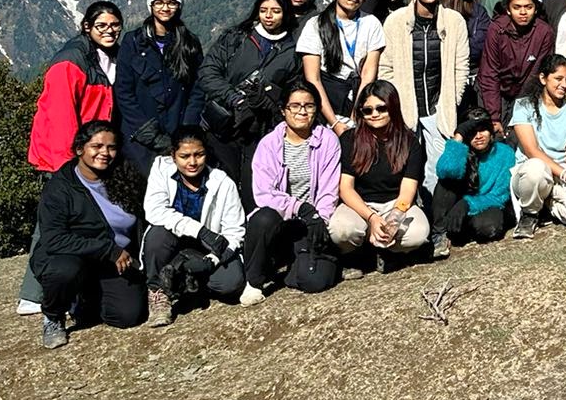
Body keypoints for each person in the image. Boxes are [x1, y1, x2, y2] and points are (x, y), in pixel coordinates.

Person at [19, 0, 124, 315]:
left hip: (91, 150)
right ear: (87, 27)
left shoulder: (105, 57)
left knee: (80, 217)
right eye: (102, 25)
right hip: (65, 152)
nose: (109, 31)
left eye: (115, 25)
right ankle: (35, 293)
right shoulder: (70, 62)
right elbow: (63, 117)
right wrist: (71, 162)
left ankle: (73, 288)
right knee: (54, 219)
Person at [31, 121, 147, 347]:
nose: (105, 153)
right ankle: (54, 316)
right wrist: (107, 249)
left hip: (113, 262)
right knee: (65, 271)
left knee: (128, 316)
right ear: (79, 149)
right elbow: (54, 239)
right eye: (97, 146)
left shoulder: (126, 176)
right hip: (71, 257)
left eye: (111, 147)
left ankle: (85, 299)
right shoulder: (61, 187)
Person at [380, 0, 471, 224]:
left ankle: (437, 224)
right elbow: (386, 67)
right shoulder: (396, 21)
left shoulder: (453, 22)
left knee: (439, 170)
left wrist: (452, 99)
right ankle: (406, 223)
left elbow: (460, 66)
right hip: (404, 107)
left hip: (437, 107)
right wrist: (393, 103)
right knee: (404, 168)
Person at [243, 79, 342, 300]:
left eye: (309, 106)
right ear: (283, 110)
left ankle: (293, 266)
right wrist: (300, 207)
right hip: (280, 222)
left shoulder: (327, 141)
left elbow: (329, 188)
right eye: (294, 106)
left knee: (316, 281)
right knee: (262, 218)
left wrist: (319, 218)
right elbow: (264, 193)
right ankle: (254, 280)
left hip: (310, 223)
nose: (302, 112)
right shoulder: (269, 144)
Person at [199, 0, 299, 206]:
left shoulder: (292, 51)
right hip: (223, 126)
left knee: (255, 189)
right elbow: (207, 73)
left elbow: (293, 92)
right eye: (264, 10)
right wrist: (234, 98)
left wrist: (268, 99)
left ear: (286, 13)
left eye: (276, 10)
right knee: (223, 185)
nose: (269, 16)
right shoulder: (236, 37)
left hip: (260, 130)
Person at [141, 126, 246, 326]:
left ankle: (186, 277)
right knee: (157, 234)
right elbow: (154, 211)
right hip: (172, 241)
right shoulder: (161, 170)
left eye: (198, 155)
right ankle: (159, 292)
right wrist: (199, 230)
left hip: (206, 249)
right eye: (184, 156)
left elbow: (235, 230)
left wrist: (213, 260)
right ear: (173, 155)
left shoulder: (222, 182)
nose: (192, 162)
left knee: (231, 284)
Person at [331, 82, 430, 272]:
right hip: (359, 205)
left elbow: (408, 190)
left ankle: (388, 251)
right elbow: (345, 188)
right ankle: (358, 253)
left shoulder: (409, 142)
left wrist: (392, 222)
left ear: (392, 107)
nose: (374, 114)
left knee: (418, 233)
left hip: (395, 204)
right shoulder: (350, 139)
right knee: (341, 230)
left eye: (381, 108)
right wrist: (372, 218)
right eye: (367, 110)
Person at [115, 0, 204, 176]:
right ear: (151, 5)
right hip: (138, 137)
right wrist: (148, 133)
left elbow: (197, 90)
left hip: (177, 134)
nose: (165, 8)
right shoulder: (133, 42)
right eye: (159, 2)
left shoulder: (189, 43)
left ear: (179, 6)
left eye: (171, 2)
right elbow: (123, 91)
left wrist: (186, 131)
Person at [509, 54, 566, 238]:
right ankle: (530, 213)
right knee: (537, 169)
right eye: (558, 78)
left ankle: (548, 205)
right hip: (530, 175)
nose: (564, 84)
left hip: (559, 177)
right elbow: (532, 151)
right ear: (543, 78)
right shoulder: (523, 106)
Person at [297, 0, 386, 139]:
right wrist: (334, 122)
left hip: (359, 93)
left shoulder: (371, 23)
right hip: (326, 96)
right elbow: (312, 78)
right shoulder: (316, 25)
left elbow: (368, 73)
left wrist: (357, 113)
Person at [478, 0, 556, 135]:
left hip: (525, 92)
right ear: (508, 9)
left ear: (536, 8)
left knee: (518, 136)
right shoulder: (496, 30)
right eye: (517, 7)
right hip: (495, 90)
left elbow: (536, 74)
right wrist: (494, 117)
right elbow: (489, 73)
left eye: (528, 7)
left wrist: (518, 111)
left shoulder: (544, 32)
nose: (523, 12)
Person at [433, 117, 517, 247]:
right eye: (472, 132)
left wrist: (467, 203)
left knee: (489, 227)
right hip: (457, 206)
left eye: (482, 130)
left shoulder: (504, 153)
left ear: (490, 131)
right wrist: (459, 137)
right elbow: (445, 171)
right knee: (446, 181)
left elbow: (500, 195)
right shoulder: (461, 151)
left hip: (488, 204)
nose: (478, 136)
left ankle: (460, 231)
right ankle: (439, 234)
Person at [440, 0, 490, 115]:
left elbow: (481, 46)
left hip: (474, 84)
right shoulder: (440, 13)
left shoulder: (479, 12)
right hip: (444, 85)